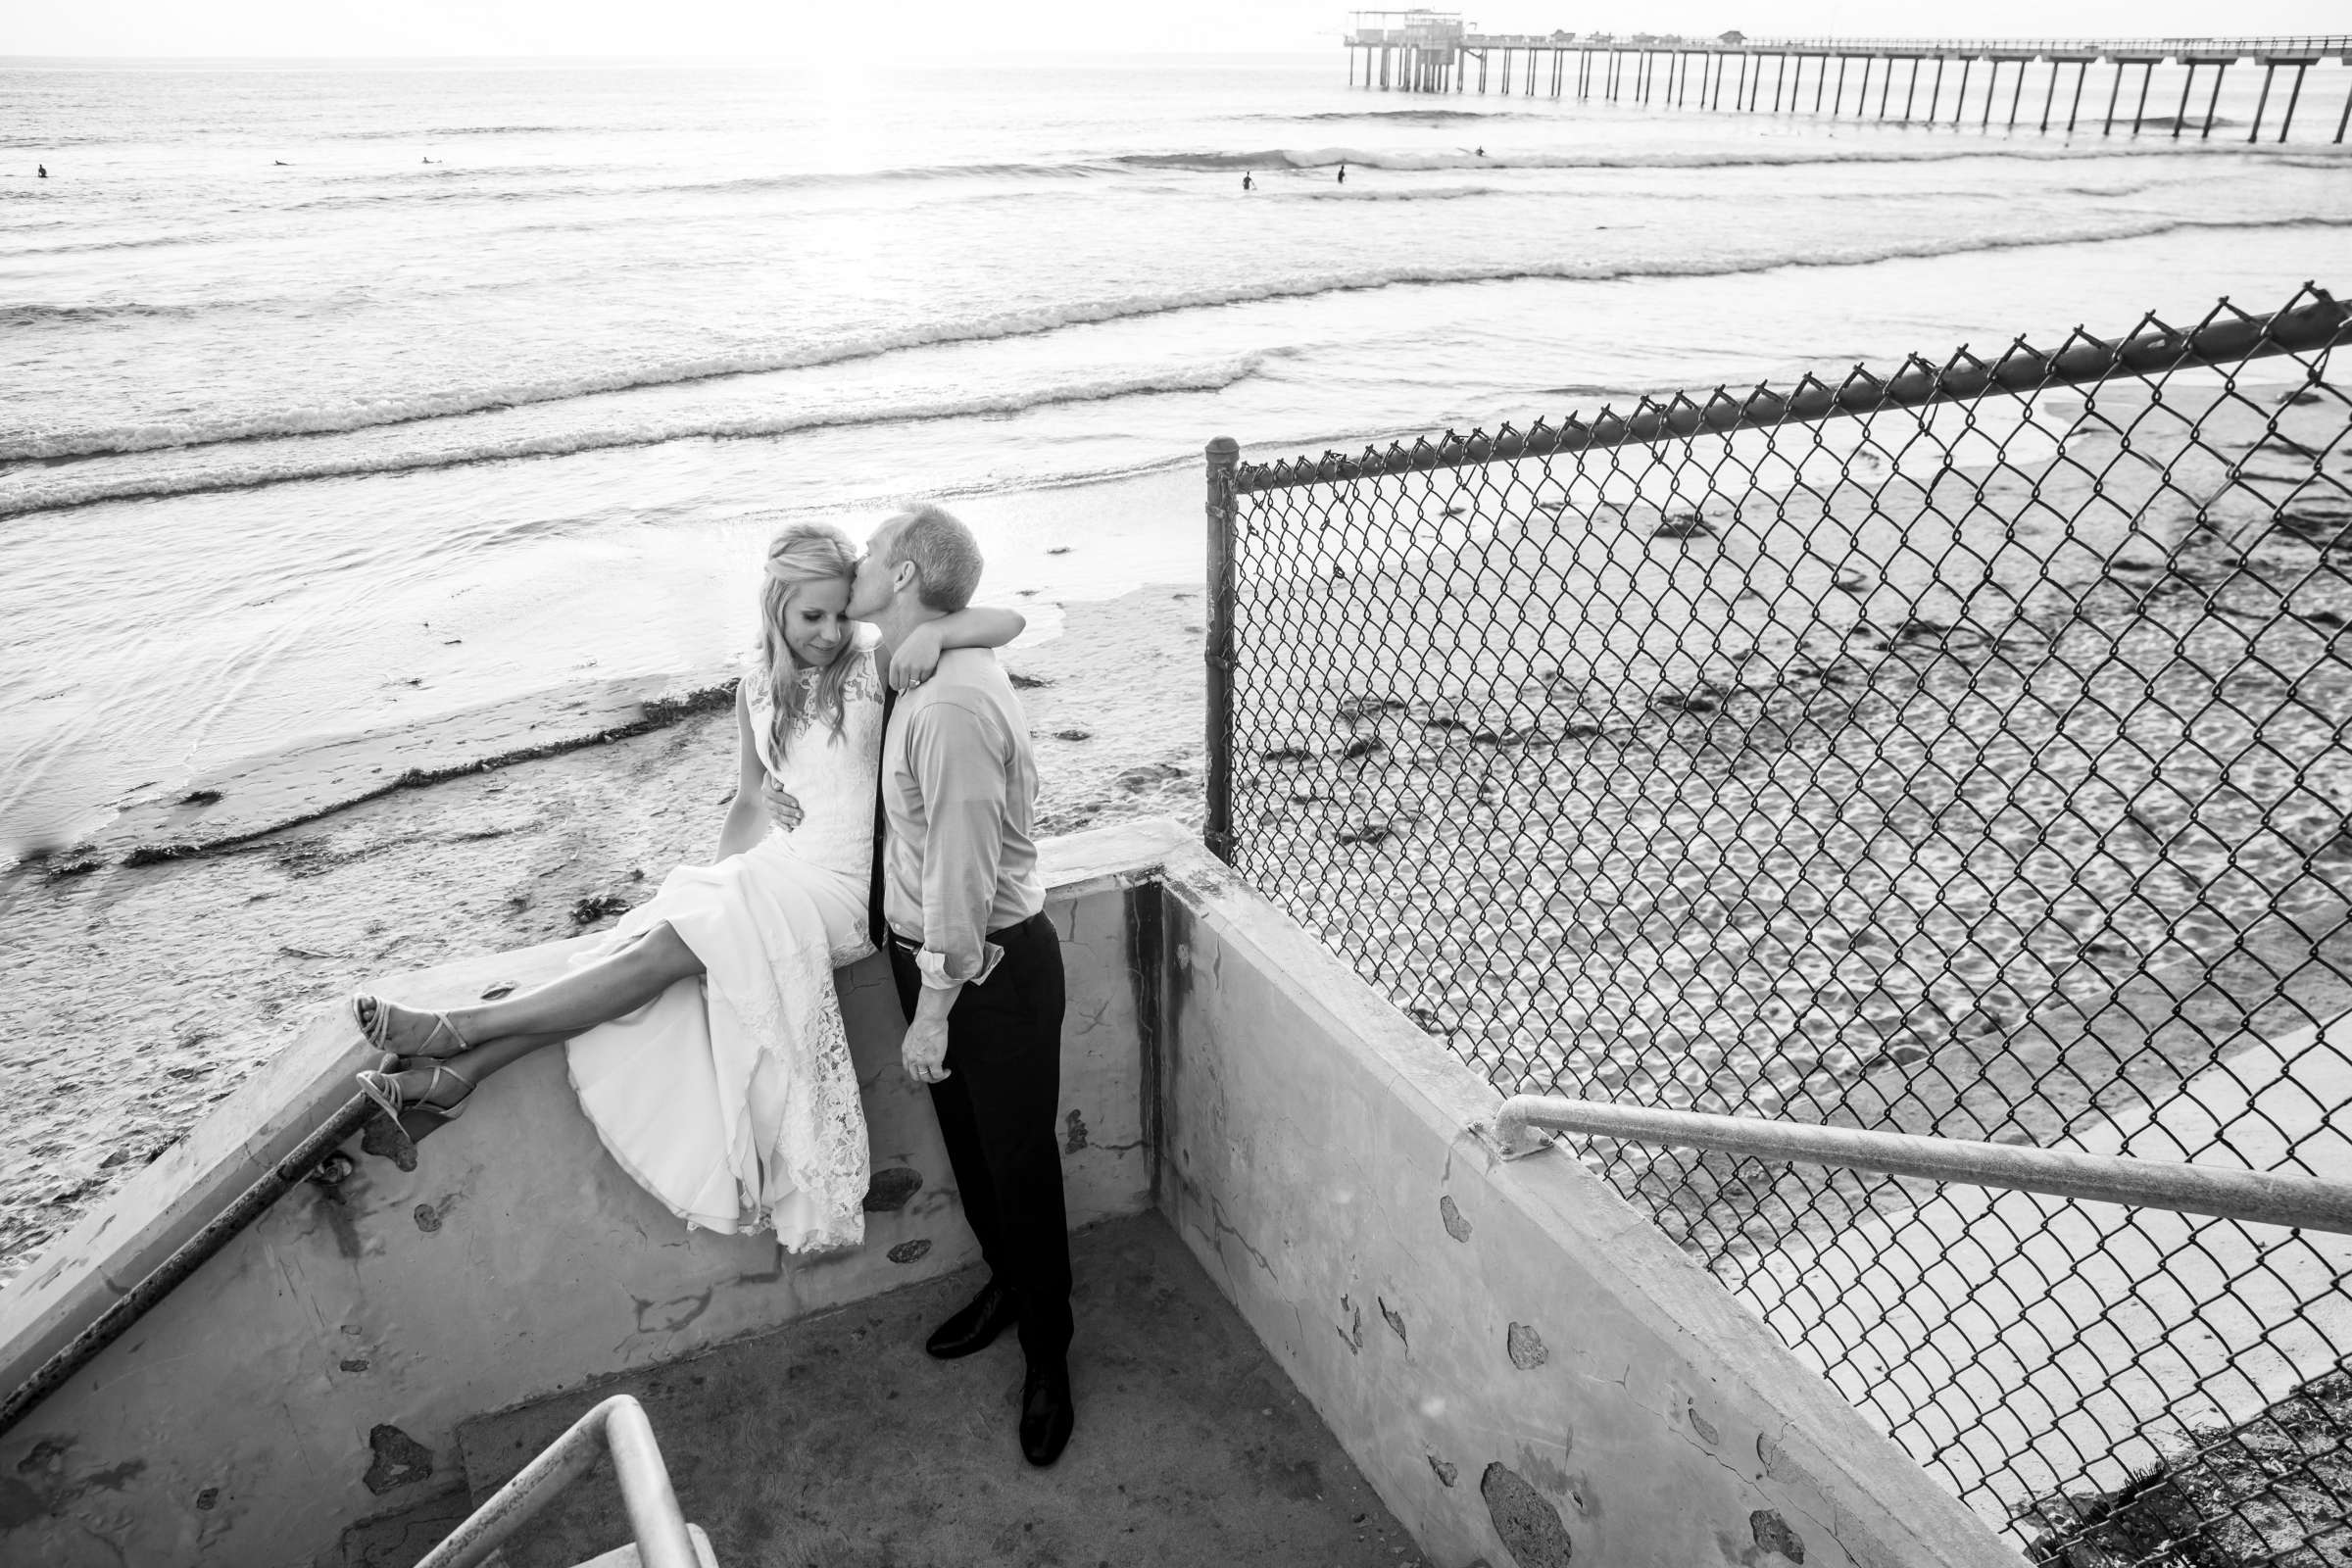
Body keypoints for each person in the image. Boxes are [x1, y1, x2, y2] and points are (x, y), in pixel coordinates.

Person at [349, 522, 1024, 1251]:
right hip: (780, 870)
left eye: (838, 614)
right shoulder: (756, 687)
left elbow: (1006, 619)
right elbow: (748, 799)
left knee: (665, 948)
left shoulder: (876, 663)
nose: (829, 632)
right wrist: (724, 873)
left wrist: (936, 635)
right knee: (652, 942)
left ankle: (464, 1033)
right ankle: (459, 1078)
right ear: (776, 610)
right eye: (810, 617)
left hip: (843, 896)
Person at [847, 504, 1073, 1467]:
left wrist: (934, 1010)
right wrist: (941, 624)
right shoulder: (917, 658)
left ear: (901, 576)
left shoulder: (947, 706)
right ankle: (1010, 1286)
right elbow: (1007, 615)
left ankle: (1051, 1354)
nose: (856, 561)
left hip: (990, 969)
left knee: (1020, 1169)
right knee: (974, 1158)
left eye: (869, 552)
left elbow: (965, 882)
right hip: (931, 956)